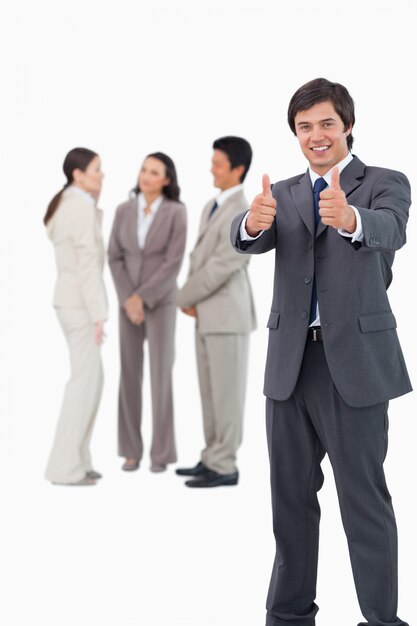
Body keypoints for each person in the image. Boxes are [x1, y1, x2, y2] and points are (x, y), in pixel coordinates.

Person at [231, 78, 411, 626]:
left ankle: (382, 619)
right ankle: (288, 617)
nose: (316, 135)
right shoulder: (281, 193)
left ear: (347, 125)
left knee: (363, 501)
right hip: (289, 367)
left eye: (326, 123)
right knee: (289, 501)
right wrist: (249, 223)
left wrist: (351, 218)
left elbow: (392, 230)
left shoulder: (383, 181)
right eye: (304, 126)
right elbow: (251, 240)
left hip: (354, 366)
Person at [176, 136, 257, 488]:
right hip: (207, 314)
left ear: (238, 169)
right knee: (209, 393)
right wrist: (192, 299)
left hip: (228, 317)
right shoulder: (211, 204)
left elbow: (222, 266)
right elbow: (198, 260)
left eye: (218, 163)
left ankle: (225, 466)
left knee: (227, 394)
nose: (211, 167)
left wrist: (181, 296)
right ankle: (212, 457)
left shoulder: (245, 210)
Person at [108, 152, 186, 473]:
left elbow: (173, 261)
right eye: (144, 170)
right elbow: (114, 257)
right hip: (127, 302)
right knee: (128, 373)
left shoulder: (176, 212)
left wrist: (143, 297)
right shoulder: (123, 210)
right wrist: (129, 298)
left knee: (160, 374)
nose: (146, 176)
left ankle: (161, 453)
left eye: (154, 172)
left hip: (162, 301)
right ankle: (130, 450)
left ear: (166, 179)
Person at [44, 147, 108, 486]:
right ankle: (65, 468)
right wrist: (99, 315)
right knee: (83, 384)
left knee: (91, 381)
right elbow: (87, 267)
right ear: (77, 175)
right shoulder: (78, 209)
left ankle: (79, 460)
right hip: (80, 306)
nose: (101, 175)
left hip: (71, 303)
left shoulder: (73, 205)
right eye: (96, 170)